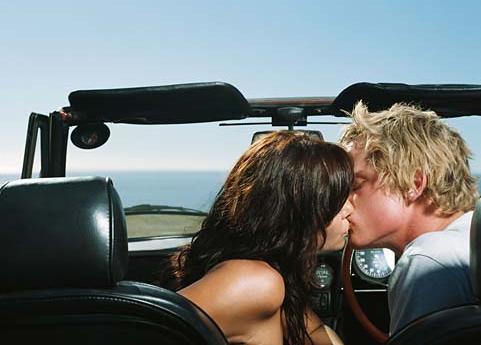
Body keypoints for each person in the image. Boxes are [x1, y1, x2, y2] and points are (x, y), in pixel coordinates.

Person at [170, 130, 354, 345]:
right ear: (297, 210)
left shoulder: (276, 276)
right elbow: (145, 331)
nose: (349, 209)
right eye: (337, 198)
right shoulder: (257, 281)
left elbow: (318, 335)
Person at [339, 101, 479, 335]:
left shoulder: (428, 260)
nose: (343, 203)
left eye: (355, 186)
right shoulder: (468, 238)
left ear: (413, 184)